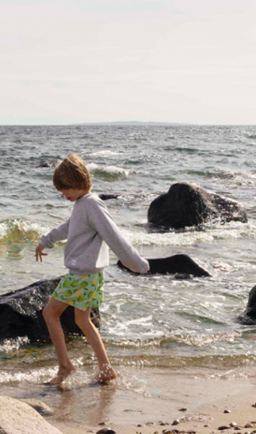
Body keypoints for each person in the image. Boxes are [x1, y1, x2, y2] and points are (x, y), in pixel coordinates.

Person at [33, 154, 149, 386]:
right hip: (89, 275)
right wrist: (46, 240)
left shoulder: (91, 204)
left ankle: (65, 366)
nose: (63, 194)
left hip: (82, 274)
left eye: (65, 188)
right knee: (83, 320)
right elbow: (68, 227)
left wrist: (135, 262)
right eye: (60, 190)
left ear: (78, 181)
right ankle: (106, 369)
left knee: (50, 314)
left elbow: (113, 234)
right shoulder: (82, 204)